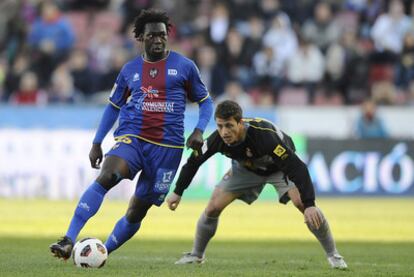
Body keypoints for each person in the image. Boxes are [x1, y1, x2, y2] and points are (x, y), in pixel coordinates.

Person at [50, 9, 213, 260]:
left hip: (168, 149)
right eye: (152, 36)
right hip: (133, 138)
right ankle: (68, 239)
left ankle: (101, 252)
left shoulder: (185, 67)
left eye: (162, 35)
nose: (158, 40)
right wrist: (96, 142)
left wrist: (199, 130)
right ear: (141, 38)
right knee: (108, 175)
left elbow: (206, 102)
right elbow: (113, 106)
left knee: (136, 211)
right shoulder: (130, 70)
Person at [167, 100, 348, 269]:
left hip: (278, 168)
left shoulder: (264, 136)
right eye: (220, 126)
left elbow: (297, 168)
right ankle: (196, 255)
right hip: (246, 168)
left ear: (240, 123)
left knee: (301, 203)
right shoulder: (217, 139)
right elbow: (194, 161)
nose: (224, 132)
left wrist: (310, 204)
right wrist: (178, 191)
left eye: (229, 125)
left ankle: (334, 255)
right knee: (213, 207)